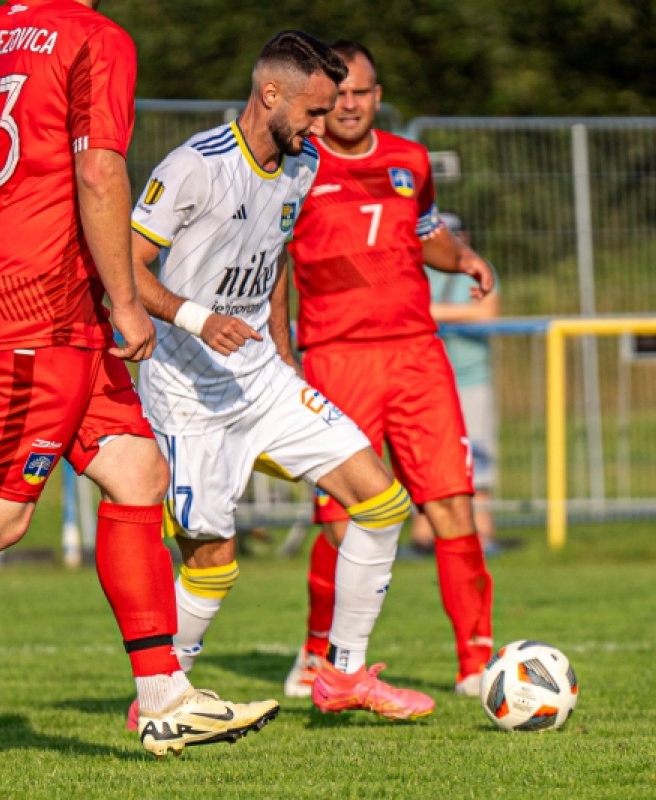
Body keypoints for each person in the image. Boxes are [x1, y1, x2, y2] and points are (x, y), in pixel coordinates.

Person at [0, 0, 277, 759]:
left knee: (138, 472)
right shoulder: (94, 37)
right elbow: (98, 168)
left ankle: (164, 698)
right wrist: (126, 300)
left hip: (48, 303)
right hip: (40, 306)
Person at [126, 30, 435, 734]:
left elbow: (272, 262)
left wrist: (282, 345)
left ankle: (345, 674)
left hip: (262, 379)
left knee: (382, 503)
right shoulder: (195, 168)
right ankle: (159, 699)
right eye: (315, 111)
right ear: (271, 95)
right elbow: (126, 267)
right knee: (212, 562)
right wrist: (198, 318)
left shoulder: (299, 166)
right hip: (187, 394)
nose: (323, 127)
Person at [284, 41, 495, 699]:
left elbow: (426, 230)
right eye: (340, 93)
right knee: (343, 517)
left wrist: (460, 259)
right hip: (334, 358)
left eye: (363, 93)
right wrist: (280, 350)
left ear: (378, 97)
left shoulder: (410, 159)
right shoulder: (296, 163)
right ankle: (317, 656)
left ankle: (474, 663)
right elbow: (268, 256)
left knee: (453, 505)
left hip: (416, 355)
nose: (350, 104)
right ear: (322, 98)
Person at [412, 212, 500, 553]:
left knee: (478, 459)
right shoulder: (416, 270)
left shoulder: (477, 267)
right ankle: (423, 539)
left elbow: (487, 312)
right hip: (424, 381)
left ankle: (484, 535)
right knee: (425, 464)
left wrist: (433, 312)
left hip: (471, 380)